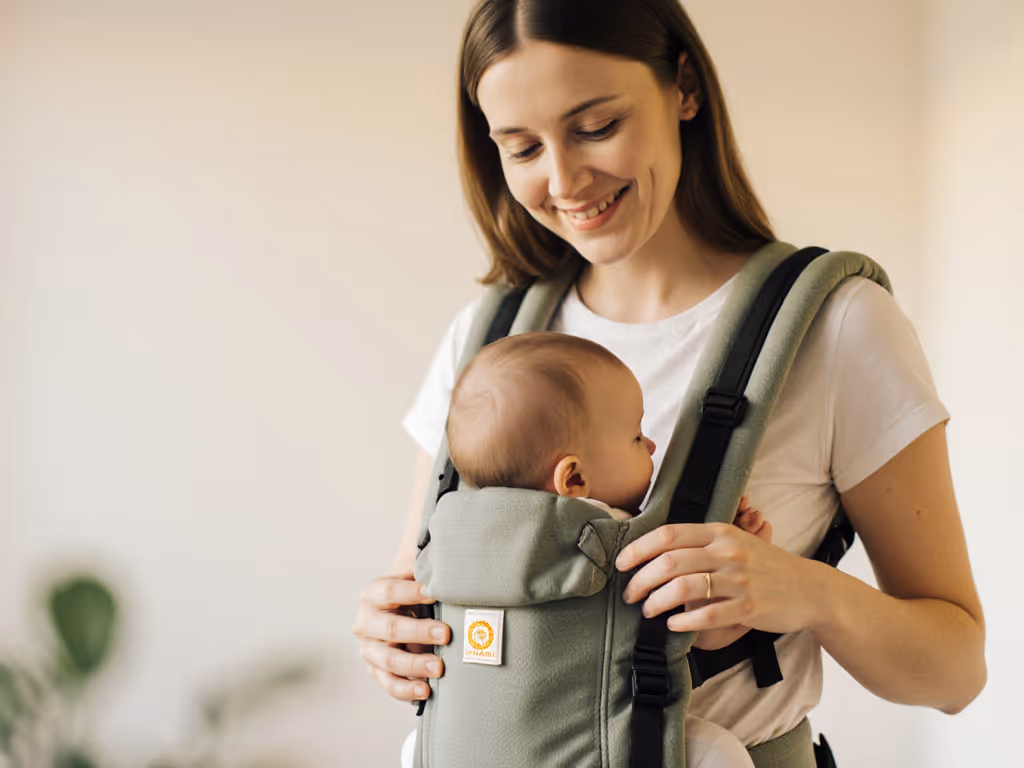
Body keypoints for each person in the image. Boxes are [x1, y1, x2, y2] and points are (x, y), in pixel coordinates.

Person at [353, 0, 986, 761]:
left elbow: (956, 673)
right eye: (521, 148)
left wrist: (806, 593)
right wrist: (391, 633)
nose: (564, 180)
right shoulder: (489, 335)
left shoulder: (839, 327)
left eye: (595, 127)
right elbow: (424, 586)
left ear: (684, 88)